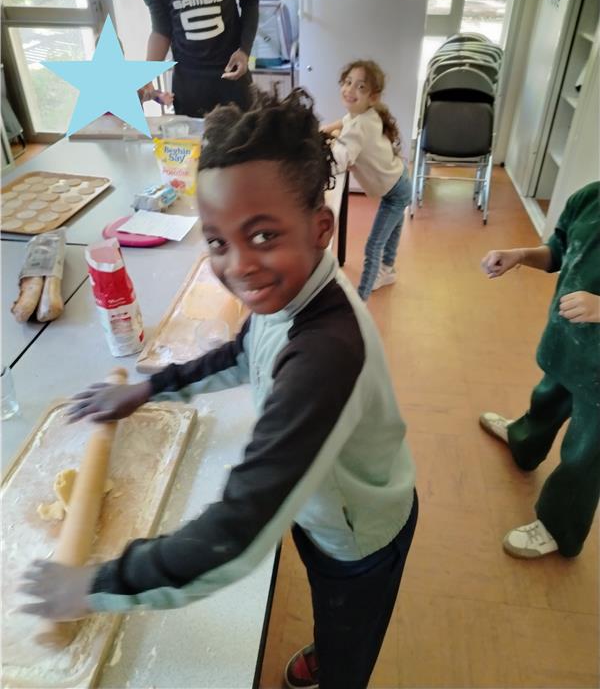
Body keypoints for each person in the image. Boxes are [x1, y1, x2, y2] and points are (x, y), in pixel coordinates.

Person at [20, 90, 418, 689]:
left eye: (263, 235)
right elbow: (242, 353)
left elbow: (236, 534)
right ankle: (333, 638)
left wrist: (95, 585)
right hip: (320, 505)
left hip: (362, 534)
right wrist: (149, 389)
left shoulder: (327, 355)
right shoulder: (289, 293)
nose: (239, 266)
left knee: (349, 620)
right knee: (328, 594)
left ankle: (340, 664)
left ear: (320, 228)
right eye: (217, 241)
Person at [479, 181, 600, 559]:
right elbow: (560, 251)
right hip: (568, 342)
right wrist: (519, 255)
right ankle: (524, 441)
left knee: (586, 451)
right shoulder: (590, 197)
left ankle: (559, 527)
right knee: (548, 397)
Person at [321, 60, 412, 301]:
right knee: (392, 233)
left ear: (373, 97)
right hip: (399, 181)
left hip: (395, 191)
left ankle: (360, 300)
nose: (350, 90)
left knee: (374, 245)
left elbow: (339, 160)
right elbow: (344, 122)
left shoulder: (360, 126)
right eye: (348, 82)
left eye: (360, 87)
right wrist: (326, 130)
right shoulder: (362, 115)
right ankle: (388, 270)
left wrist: (327, 145)